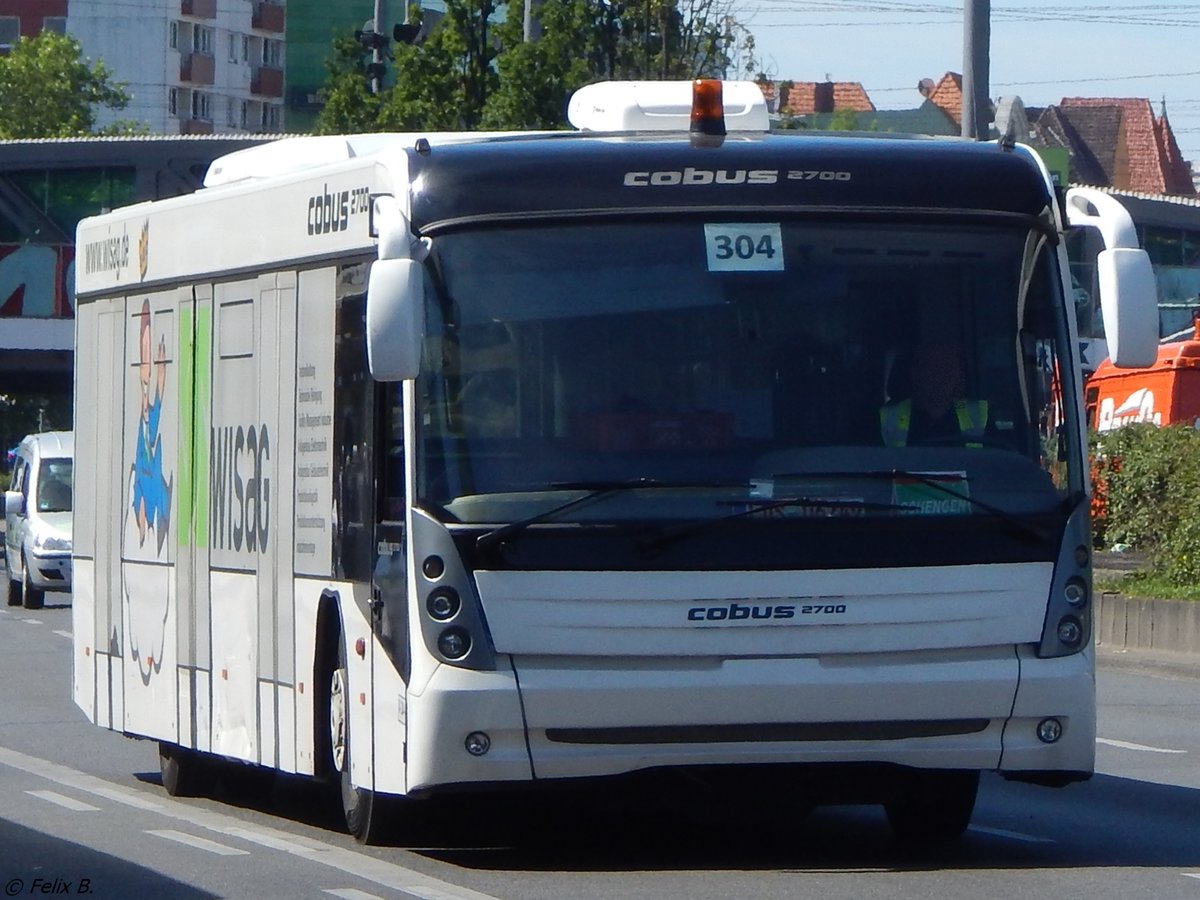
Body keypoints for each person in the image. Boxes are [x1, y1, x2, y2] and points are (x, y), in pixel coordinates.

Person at [879, 341, 988, 447]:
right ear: (915, 373)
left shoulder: (981, 416)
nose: (939, 377)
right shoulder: (887, 419)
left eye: (947, 368)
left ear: (958, 377)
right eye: (930, 368)